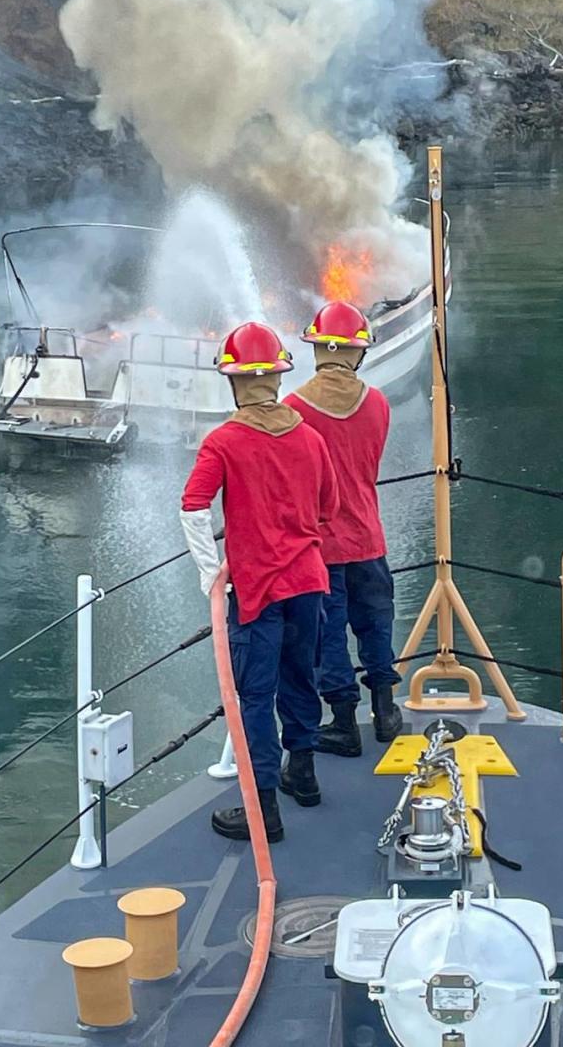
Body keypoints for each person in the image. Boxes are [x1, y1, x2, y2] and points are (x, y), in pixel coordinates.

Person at [180, 321, 339, 844]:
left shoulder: (223, 441)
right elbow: (328, 509)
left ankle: (263, 812)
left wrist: (210, 572)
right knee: (301, 679)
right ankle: (306, 775)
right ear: (277, 376)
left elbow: (194, 507)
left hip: (257, 593)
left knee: (254, 696)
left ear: (233, 383)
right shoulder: (312, 438)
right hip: (310, 584)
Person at [283, 300, 403, 756]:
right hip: (369, 537)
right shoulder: (379, 403)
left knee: (327, 634)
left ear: (316, 349)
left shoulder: (294, 409)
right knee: (376, 624)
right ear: (358, 353)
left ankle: (343, 723)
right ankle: (386, 710)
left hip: (320, 547)